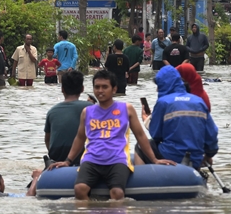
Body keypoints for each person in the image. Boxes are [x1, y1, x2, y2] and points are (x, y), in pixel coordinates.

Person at [48, 69, 176, 200]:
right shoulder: (87, 112)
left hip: (117, 160)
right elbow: (80, 138)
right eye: (97, 87)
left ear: (114, 89)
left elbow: (141, 135)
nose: (100, 90)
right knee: (79, 189)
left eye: (105, 87)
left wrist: (154, 160)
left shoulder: (126, 109)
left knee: (117, 193)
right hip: (92, 160)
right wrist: (67, 161)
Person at [134, 65, 218, 170]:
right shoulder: (199, 101)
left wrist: (147, 120)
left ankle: (142, 179)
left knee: (141, 145)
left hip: (171, 156)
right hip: (195, 159)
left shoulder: (163, 102)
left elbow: (156, 134)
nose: (157, 89)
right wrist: (209, 155)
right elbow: (212, 134)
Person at [43, 70, 89, 165]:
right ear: (82, 89)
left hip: (55, 154)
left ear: (62, 89)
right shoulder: (90, 108)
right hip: (79, 155)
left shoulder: (52, 111)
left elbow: (48, 139)